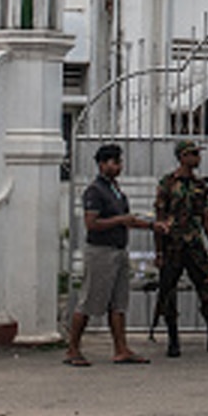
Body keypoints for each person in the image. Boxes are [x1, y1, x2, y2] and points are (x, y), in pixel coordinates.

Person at [65, 143, 154, 366]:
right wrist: (121, 220)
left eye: (120, 162)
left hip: (118, 250)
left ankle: (121, 348)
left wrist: (152, 226)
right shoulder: (95, 191)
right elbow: (91, 224)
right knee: (89, 300)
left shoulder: (116, 191)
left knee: (118, 302)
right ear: (102, 164)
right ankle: (72, 349)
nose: (118, 166)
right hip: (100, 252)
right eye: (114, 162)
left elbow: (128, 220)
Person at [154, 140, 208, 357]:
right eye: (194, 154)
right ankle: (173, 340)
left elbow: (206, 218)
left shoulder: (200, 185)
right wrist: (158, 252)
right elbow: (159, 219)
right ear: (182, 157)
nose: (198, 158)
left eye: (198, 154)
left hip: (195, 245)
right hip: (172, 245)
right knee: (168, 292)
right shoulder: (167, 183)